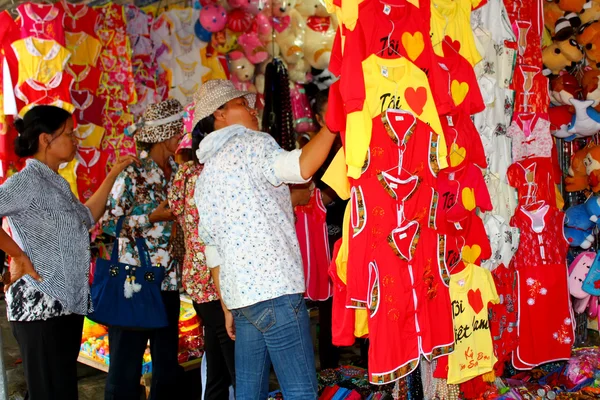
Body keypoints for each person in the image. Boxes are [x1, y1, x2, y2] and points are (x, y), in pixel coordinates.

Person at [192, 79, 338, 399]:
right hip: (275, 289)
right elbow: (300, 168)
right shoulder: (252, 143)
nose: (253, 108)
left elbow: (213, 249)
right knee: (300, 391)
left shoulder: (207, 173)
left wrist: (227, 306)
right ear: (220, 113)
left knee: (249, 393)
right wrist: (331, 127)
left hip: (241, 299)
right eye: (242, 104)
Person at [0, 105, 136, 400]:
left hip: (64, 306)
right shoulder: (26, 182)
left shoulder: (56, 182)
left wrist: (112, 174)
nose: (76, 139)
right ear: (45, 139)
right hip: (39, 308)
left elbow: (87, 217)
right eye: (69, 133)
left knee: (62, 391)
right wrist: (18, 255)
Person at [102, 99, 184, 400]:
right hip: (133, 281)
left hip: (169, 281)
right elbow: (109, 224)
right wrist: (151, 217)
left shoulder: (177, 170)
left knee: (167, 366)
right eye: (177, 132)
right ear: (164, 133)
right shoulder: (132, 173)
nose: (181, 137)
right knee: (126, 364)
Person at [168, 125, 236, 400]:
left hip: (197, 279)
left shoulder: (184, 174)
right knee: (235, 362)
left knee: (219, 358)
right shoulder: (212, 175)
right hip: (215, 280)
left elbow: (175, 209)